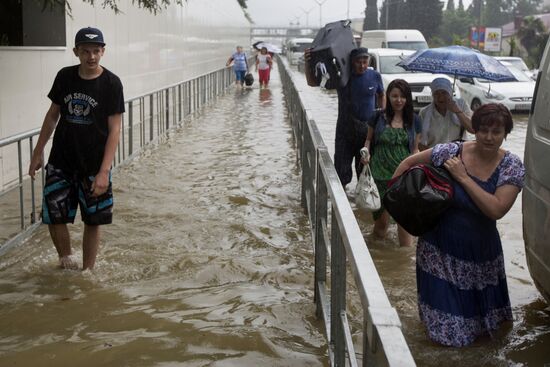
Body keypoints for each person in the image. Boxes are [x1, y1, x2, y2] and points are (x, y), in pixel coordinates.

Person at [393, 103, 525, 347]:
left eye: (496, 132)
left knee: (484, 334)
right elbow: (407, 165)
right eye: (483, 130)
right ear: (474, 130)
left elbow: (496, 208)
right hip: (437, 250)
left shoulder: (511, 166)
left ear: (505, 134)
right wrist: (399, 205)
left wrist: (462, 178)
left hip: (481, 256)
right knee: (445, 334)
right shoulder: (451, 152)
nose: (488, 137)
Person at [28, 27, 124, 270]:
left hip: (94, 164)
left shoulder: (112, 83)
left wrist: (104, 171)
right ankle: (66, 259)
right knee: (54, 215)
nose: (91, 56)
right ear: (76, 52)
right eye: (85, 51)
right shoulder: (65, 77)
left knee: (93, 220)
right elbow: (52, 116)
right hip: (61, 161)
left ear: (103, 51)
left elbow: (115, 130)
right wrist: (38, 152)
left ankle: (87, 271)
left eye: (95, 51)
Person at [305, 47, 386, 188]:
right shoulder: (342, 77)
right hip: (345, 131)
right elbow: (312, 83)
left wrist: (382, 114)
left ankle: (361, 207)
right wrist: (308, 62)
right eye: (358, 62)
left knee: (366, 174)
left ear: (369, 61)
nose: (362, 65)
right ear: (351, 62)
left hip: (367, 133)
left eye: (365, 61)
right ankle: (341, 205)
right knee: (341, 175)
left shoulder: (375, 76)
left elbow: (381, 94)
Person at [361, 79, 421, 247]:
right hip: (379, 175)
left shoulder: (414, 120)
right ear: (388, 96)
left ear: (407, 98)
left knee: (405, 223)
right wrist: (365, 154)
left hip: (403, 176)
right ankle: (376, 256)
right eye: (394, 96)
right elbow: (368, 140)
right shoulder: (377, 117)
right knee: (381, 225)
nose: (398, 100)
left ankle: (404, 266)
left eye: (402, 96)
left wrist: (418, 171)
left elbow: (415, 149)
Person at [419, 77, 474, 150]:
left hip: (457, 153)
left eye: (444, 93)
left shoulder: (461, 104)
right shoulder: (424, 113)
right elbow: (420, 141)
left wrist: (457, 111)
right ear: (432, 95)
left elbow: (472, 129)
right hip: (434, 154)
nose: (440, 97)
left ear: (450, 93)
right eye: (436, 94)